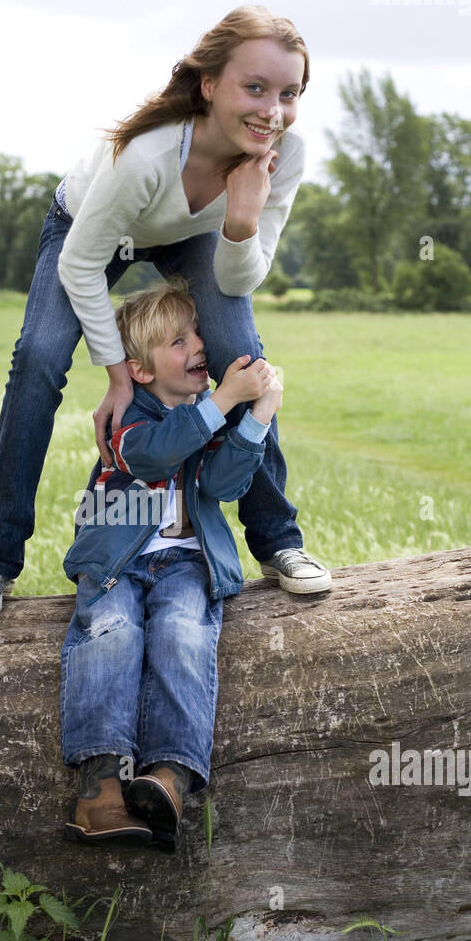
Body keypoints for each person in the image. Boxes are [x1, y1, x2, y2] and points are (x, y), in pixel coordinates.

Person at [0, 4, 331, 622]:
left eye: (288, 93)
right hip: (93, 230)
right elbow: (79, 267)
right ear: (209, 85)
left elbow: (244, 274)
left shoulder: (284, 154)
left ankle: (278, 541)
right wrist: (119, 373)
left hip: (195, 230)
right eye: (254, 88)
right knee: (40, 357)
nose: (272, 111)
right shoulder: (148, 155)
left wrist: (241, 219)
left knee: (239, 347)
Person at [61, 276, 283, 850]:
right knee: (110, 632)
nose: (198, 349)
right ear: (139, 370)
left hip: (186, 563)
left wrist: (256, 417)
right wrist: (224, 401)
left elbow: (224, 484)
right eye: (177, 342)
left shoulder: (203, 413)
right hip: (118, 561)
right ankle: (101, 783)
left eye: (197, 337)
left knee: (184, 632)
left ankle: (171, 777)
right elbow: (155, 455)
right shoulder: (129, 418)